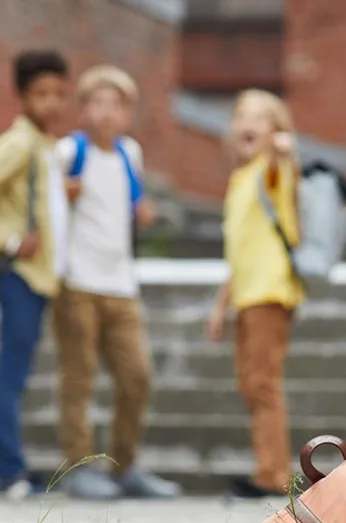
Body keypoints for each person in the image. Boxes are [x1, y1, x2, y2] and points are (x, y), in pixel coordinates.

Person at [54, 65, 180, 500]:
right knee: (79, 377)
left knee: (137, 376)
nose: (107, 113)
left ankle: (125, 465)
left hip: (121, 283)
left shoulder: (131, 152)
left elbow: (129, 200)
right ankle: (78, 467)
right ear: (84, 108)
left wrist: (142, 209)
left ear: (128, 113)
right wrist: (61, 195)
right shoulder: (69, 151)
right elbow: (50, 208)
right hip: (77, 283)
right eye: (98, 102)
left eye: (116, 104)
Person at [207, 89, 303, 498]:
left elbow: (286, 167)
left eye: (260, 118)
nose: (247, 123)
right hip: (246, 294)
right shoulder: (239, 178)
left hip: (269, 291)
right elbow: (239, 250)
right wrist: (220, 306)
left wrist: (284, 150)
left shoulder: (271, 171)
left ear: (275, 130)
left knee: (263, 384)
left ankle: (272, 475)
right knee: (250, 384)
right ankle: (268, 467)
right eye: (241, 115)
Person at [0, 50, 70, 499]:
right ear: (22, 96)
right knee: (9, 374)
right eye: (41, 93)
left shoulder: (45, 145)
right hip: (19, 274)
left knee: (17, 373)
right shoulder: (21, 141)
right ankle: (9, 471)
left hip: (42, 278)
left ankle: (12, 466)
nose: (52, 102)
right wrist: (8, 240)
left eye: (59, 93)